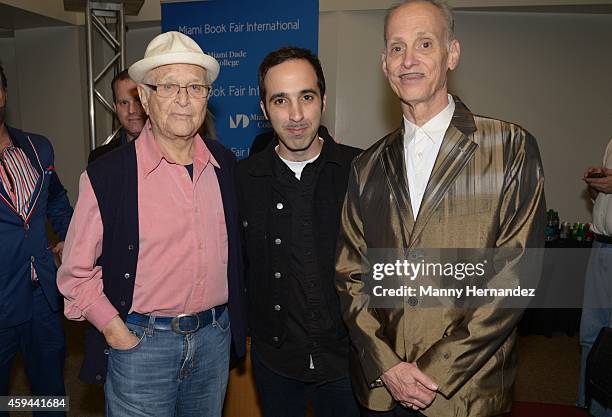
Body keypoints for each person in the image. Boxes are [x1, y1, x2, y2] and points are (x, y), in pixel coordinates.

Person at [334, 1, 546, 416]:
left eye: (424, 44)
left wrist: (435, 371)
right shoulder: (366, 166)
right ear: (383, 63)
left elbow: (516, 275)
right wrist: (389, 366)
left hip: (465, 393)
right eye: (396, 48)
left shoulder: (510, 148)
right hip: (382, 390)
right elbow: (350, 275)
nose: (408, 60)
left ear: (452, 54)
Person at [57, 31, 246, 417]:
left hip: (213, 343)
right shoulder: (107, 176)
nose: (183, 99)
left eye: (195, 87)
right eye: (169, 86)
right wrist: (115, 331)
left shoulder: (225, 165)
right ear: (144, 96)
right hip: (141, 347)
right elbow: (75, 274)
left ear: (207, 97)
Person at [236, 47, 361, 417]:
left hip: (348, 358)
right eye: (280, 100)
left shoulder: (361, 171)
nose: (295, 115)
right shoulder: (242, 180)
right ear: (263, 109)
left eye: (306, 97)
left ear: (323, 100)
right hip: (275, 361)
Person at [0, 63, 73, 417]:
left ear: (3, 95)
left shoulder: (38, 147)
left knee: (50, 394)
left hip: (43, 295)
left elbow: (56, 199)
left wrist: (71, 239)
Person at [578, 143, 612, 417]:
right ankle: (589, 402)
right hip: (601, 244)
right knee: (591, 332)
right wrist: (596, 183)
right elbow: (600, 200)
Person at [88, 70, 146, 163]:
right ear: (115, 108)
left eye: (138, 101)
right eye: (124, 103)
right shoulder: (100, 159)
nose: (132, 110)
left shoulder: (171, 152)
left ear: (150, 102)